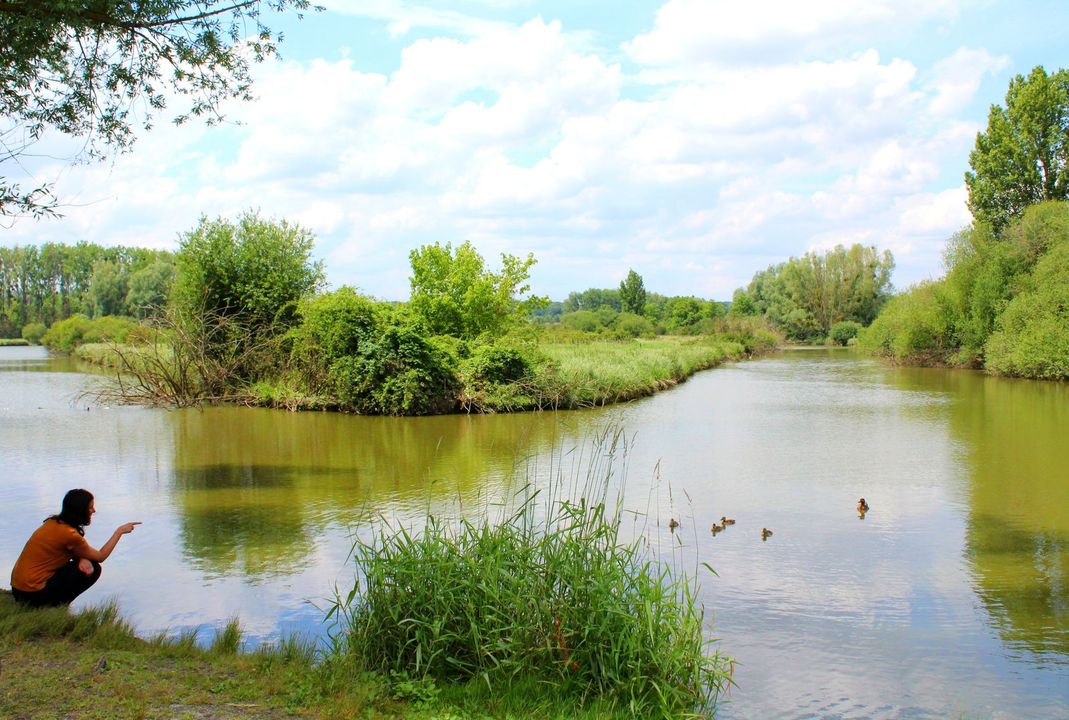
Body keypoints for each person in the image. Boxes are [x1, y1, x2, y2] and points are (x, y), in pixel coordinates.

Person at [9, 489, 141, 607]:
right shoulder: (70, 535)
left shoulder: (53, 522)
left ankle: (54, 604)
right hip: (32, 595)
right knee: (94, 569)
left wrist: (81, 558)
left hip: (18, 590)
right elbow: (101, 556)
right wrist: (119, 532)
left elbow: (65, 550)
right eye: (90, 508)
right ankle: (57, 606)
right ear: (80, 511)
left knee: (85, 563)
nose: (94, 511)